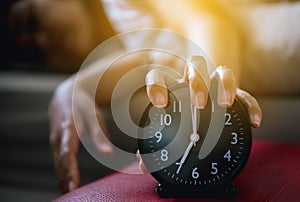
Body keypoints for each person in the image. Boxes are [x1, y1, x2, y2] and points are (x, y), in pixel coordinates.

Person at [45, 0, 265, 193]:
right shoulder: (122, 28)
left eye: (28, 21)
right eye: (36, 52)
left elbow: (205, 17)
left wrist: (212, 88)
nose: (43, 40)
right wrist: (76, 85)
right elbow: (155, 53)